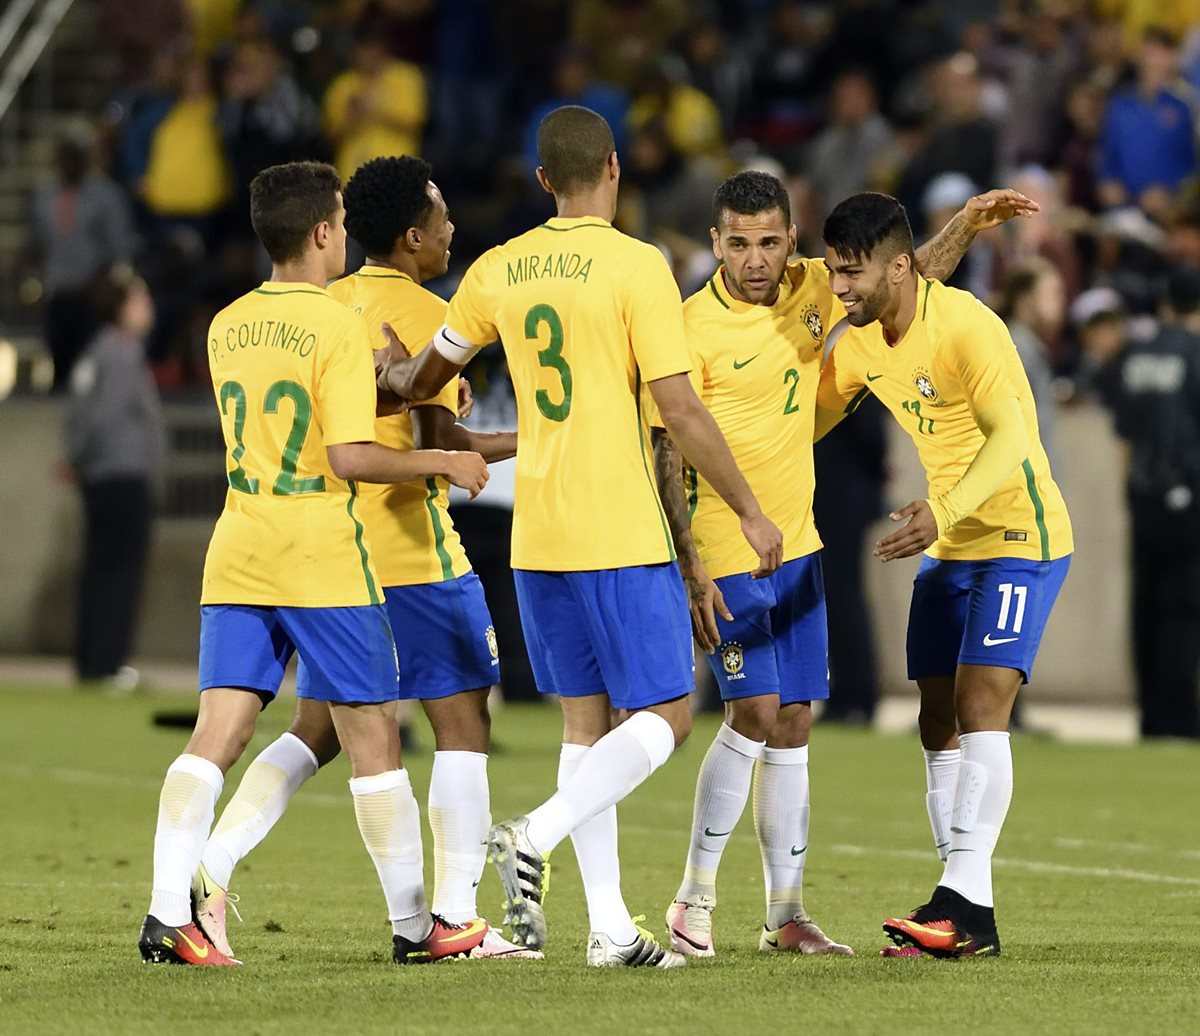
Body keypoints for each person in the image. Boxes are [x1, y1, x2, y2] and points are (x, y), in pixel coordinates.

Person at [377, 104, 783, 968]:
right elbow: (678, 409)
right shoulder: (639, 268)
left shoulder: (498, 268)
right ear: (613, 166)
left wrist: (388, 372)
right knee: (670, 712)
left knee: (584, 726)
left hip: (539, 532)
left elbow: (424, 379)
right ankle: (539, 831)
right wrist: (747, 509)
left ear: (541, 181)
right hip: (619, 523)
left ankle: (608, 931)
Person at [656, 172, 1037, 959]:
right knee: (753, 713)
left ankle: (785, 914)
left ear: (790, 242)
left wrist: (965, 223)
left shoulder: (815, 289)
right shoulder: (687, 327)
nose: (754, 259)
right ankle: (692, 898)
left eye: (768, 242)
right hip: (727, 549)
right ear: (715, 242)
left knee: (794, 724)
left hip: (798, 545)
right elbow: (665, 447)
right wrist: (689, 563)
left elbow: (906, 272)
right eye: (737, 243)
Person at [137, 160, 489, 967]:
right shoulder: (333, 323)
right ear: (326, 231)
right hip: (321, 556)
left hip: (239, 548)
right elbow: (350, 453)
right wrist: (440, 463)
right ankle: (415, 927)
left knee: (216, 734)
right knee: (375, 743)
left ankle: (167, 916)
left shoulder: (225, 323)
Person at [816, 192, 1073, 959]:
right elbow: (802, 422)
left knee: (980, 701)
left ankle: (961, 905)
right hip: (950, 544)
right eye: (833, 273)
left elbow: (1012, 437)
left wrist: (944, 507)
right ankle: (963, 908)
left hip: (1019, 531)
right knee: (937, 717)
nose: (839, 289)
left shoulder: (966, 325)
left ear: (899, 266)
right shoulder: (861, 344)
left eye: (851, 273)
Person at [1104, 265, 1200, 739]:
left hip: (1142, 499)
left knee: (1146, 608)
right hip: (1189, 498)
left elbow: (1121, 433)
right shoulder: (1196, 354)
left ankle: (1150, 717)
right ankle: (1180, 720)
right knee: (1183, 612)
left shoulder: (1135, 354)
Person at [64, 265, 165, 687]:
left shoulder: (96, 350)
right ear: (121, 308)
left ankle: (92, 661)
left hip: (101, 476)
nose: (148, 306)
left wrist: (77, 457)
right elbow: (105, 416)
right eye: (140, 299)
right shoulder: (123, 351)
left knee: (99, 568)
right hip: (123, 475)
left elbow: (82, 412)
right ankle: (107, 664)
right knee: (120, 572)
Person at [31, 127, 134, 390]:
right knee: (58, 366)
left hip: (91, 297)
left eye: (74, 155)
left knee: (91, 369)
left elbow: (119, 248)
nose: (67, 162)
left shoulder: (106, 196)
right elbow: (40, 241)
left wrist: (101, 283)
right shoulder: (45, 195)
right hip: (57, 292)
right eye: (63, 155)